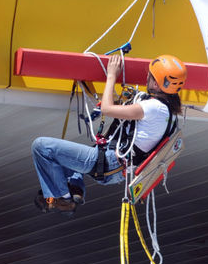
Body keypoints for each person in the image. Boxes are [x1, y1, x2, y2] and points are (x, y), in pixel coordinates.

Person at [32, 53, 185, 215]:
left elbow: (107, 109)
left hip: (109, 163)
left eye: (150, 74)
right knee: (65, 156)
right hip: (115, 168)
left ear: (155, 82)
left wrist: (111, 75)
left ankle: (61, 199)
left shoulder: (153, 107)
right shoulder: (170, 113)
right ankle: (75, 190)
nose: (146, 75)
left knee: (42, 147)